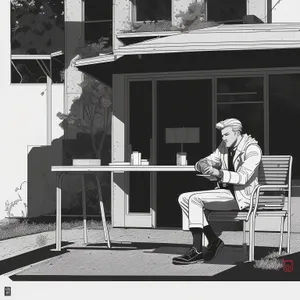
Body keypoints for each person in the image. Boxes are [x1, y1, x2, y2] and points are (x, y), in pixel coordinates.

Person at [172, 118, 262, 265]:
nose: (223, 138)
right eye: (222, 135)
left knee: (194, 199)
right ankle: (213, 240)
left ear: (237, 133)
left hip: (243, 197)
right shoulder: (224, 147)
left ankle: (197, 250)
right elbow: (209, 159)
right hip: (226, 193)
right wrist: (202, 164)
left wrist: (219, 173)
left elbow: (243, 177)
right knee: (183, 198)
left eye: (226, 134)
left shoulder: (253, 149)